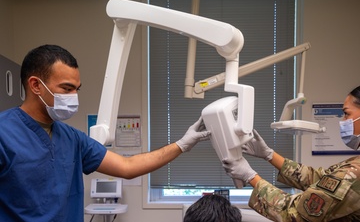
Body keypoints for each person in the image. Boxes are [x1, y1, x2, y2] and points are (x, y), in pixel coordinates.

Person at [0, 44, 211, 222]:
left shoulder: (72, 138)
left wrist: (182, 144)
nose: (74, 96)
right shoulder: (4, 133)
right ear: (36, 85)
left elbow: (127, 167)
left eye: (77, 89)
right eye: (67, 88)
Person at [222, 85, 360, 222]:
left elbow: (295, 214)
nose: (342, 121)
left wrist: (250, 176)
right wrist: (269, 155)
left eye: (347, 113)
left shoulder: (355, 172)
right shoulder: (354, 164)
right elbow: (319, 179)